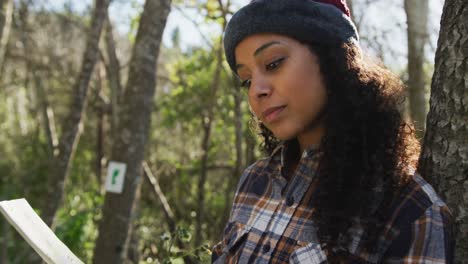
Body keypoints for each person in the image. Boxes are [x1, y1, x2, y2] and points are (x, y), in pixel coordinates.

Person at [212, 0, 454, 263]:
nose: (256, 90)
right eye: (246, 80)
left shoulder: (410, 212)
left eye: (273, 64)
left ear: (334, 58)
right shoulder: (254, 181)